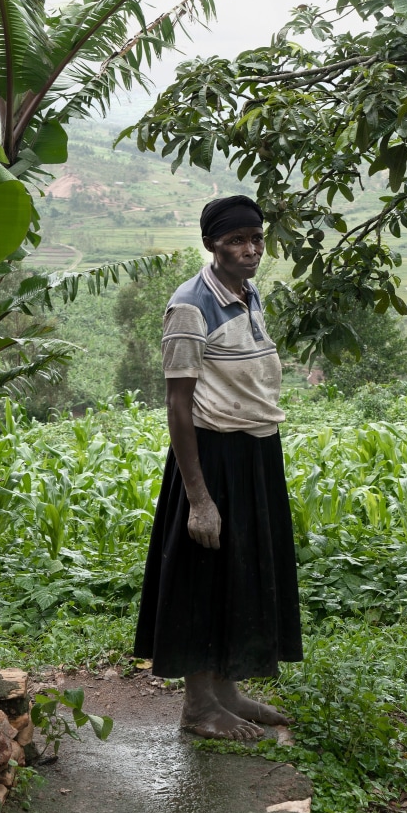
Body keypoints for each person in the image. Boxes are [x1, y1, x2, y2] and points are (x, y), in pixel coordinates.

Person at [134, 195, 303, 741]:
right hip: (212, 457)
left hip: (255, 451)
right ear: (211, 244)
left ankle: (228, 692)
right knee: (205, 578)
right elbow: (178, 407)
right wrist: (200, 498)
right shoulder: (190, 306)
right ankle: (199, 707)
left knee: (241, 573)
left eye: (256, 238)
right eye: (236, 240)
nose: (250, 249)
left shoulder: (247, 293)